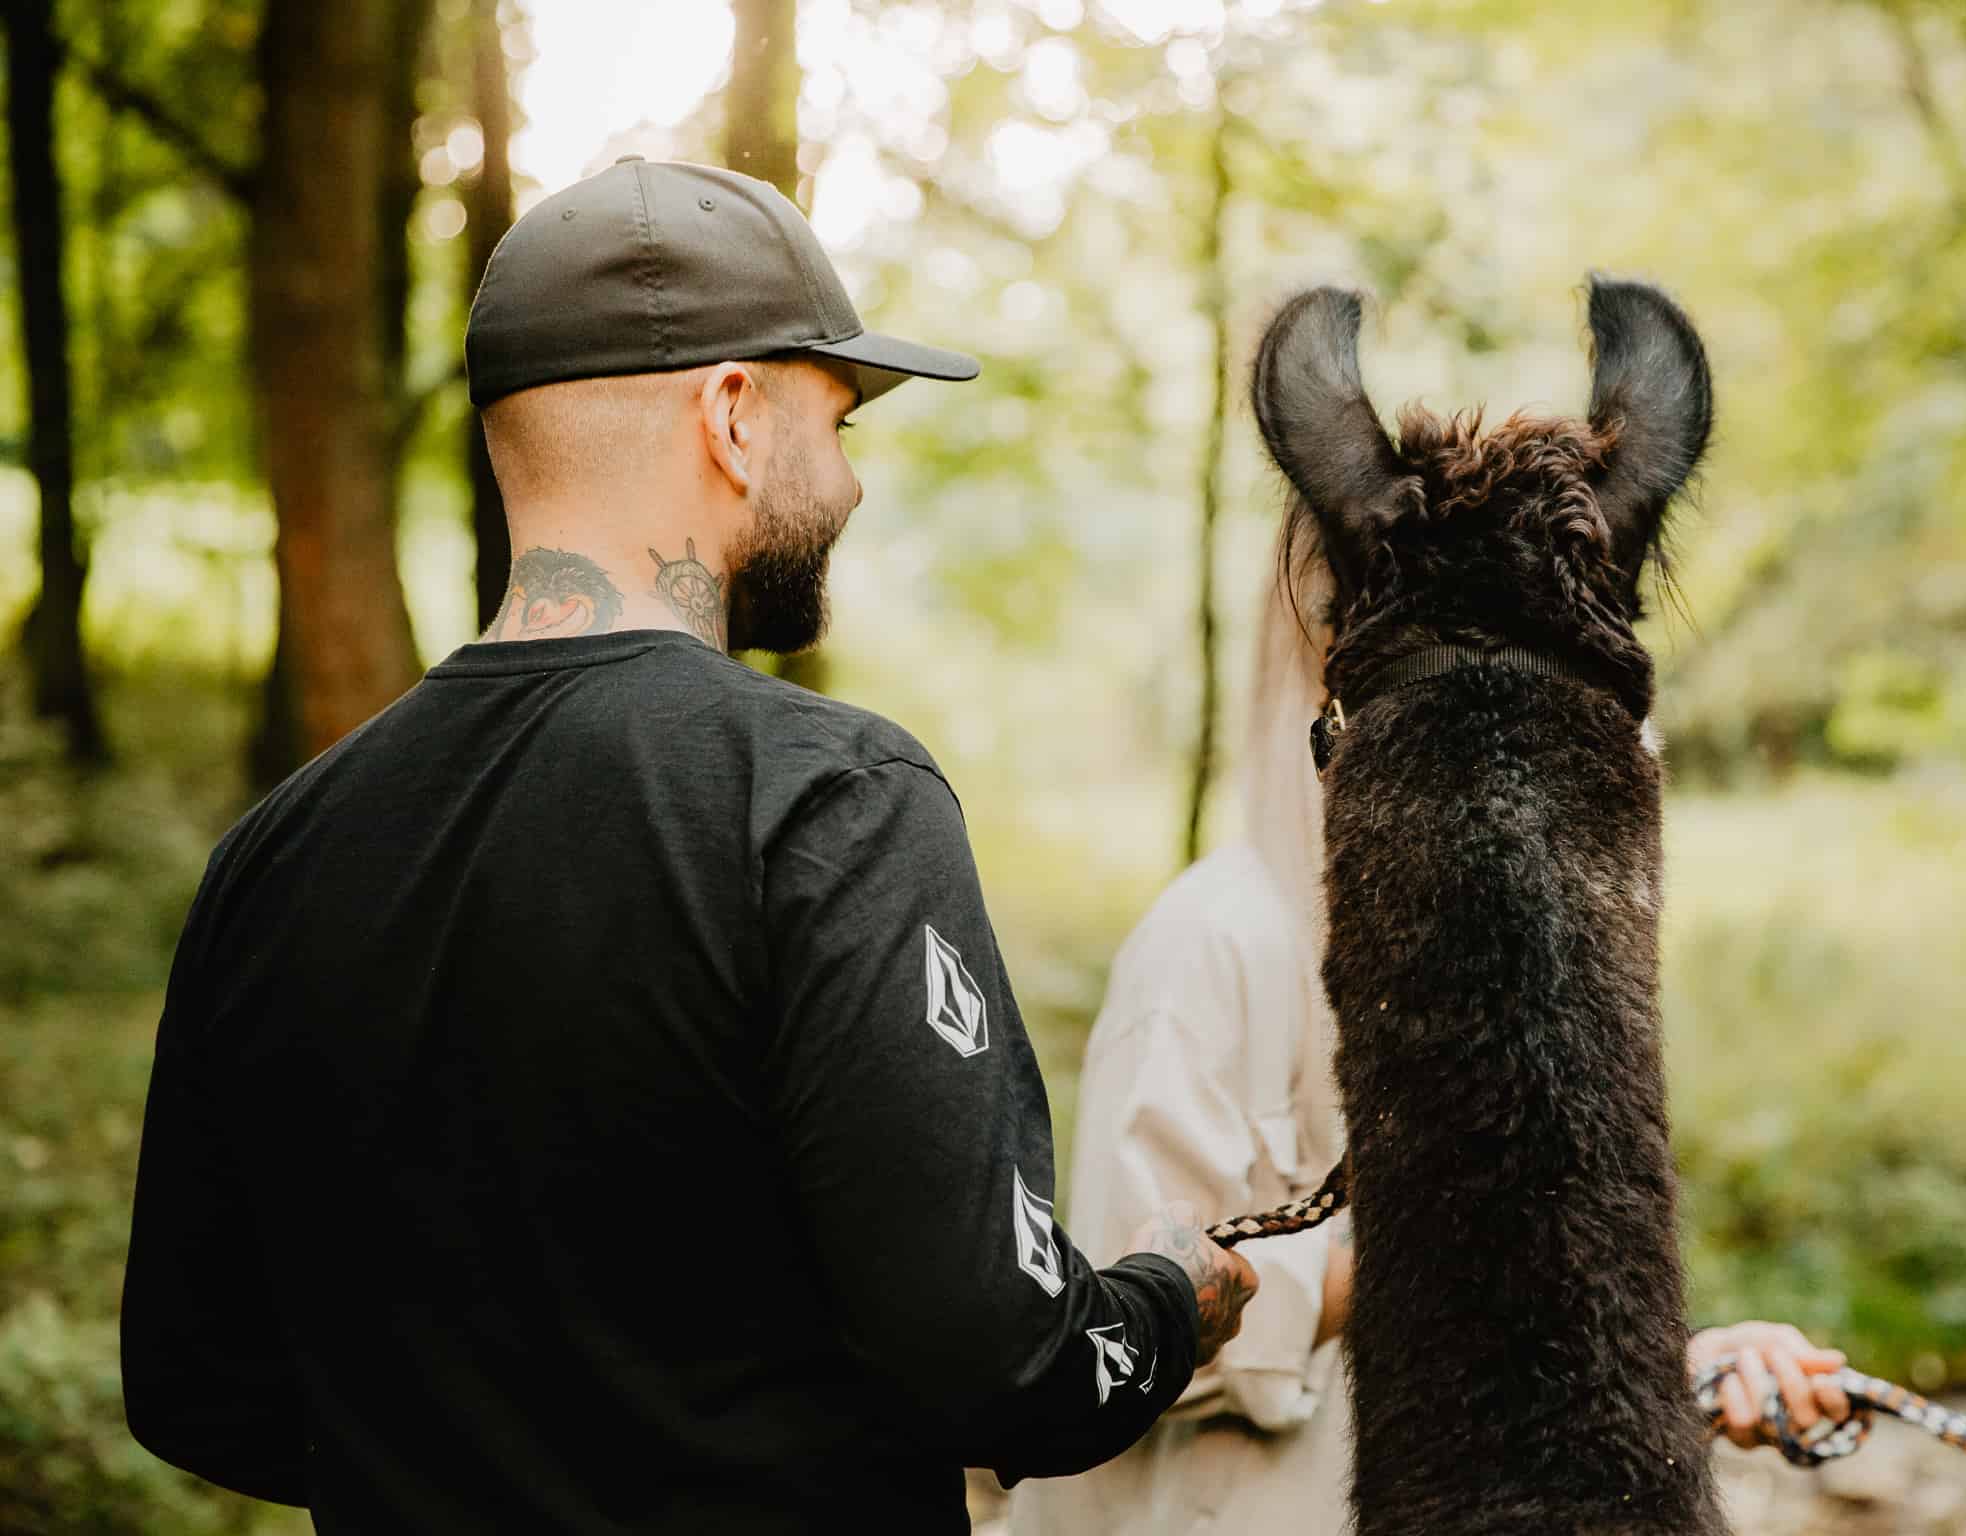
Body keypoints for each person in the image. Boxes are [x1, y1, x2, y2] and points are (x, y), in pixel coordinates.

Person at [119, 157, 1257, 1536]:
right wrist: (1162, 1305)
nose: (846, 487)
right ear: (731, 413)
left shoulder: (272, 855)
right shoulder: (825, 796)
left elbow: (194, 1387)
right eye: (834, 424)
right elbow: (1003, 1361)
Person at [1010, 553, 1858, 1534]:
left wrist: (1665, 1367)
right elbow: (1116, 1322)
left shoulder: (1516, 961)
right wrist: (1477, 1236)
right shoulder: (1211, 941)